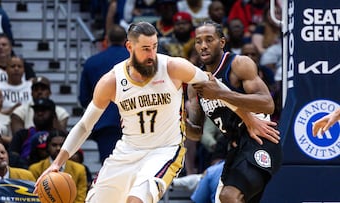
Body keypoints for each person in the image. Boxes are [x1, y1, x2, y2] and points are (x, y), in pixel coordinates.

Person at [34, 21, 279, 203]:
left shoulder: (173, 66)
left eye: (154, 47)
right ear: (129, 47)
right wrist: (57, 163)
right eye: (144, 49)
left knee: (136, 200)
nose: (151, 54)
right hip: (127, 151)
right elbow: (84, 126)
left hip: (164, 151)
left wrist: (248, 118)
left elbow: (215, 86)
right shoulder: (111, 80)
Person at [187, 20, 283, 203]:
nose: (203, 46)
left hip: (261, 139)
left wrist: (222, 94)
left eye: (209, 40)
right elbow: (196, 133)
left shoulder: (239, 64)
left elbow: (267, 104)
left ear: (221, 42)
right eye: (198, 41)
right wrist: (180, 121)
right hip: (235, 147)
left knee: (229, 196)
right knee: (224, 200)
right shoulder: (195, 84)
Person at [79, 24, 128, 164]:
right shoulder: (137, 61)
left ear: (106, 40)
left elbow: (83, 98)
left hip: (105, 122)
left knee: (110, 167)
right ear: (127, 40)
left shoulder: (92, 62)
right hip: (136, 121)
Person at [29, 130, 87, 203]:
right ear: (47, 147)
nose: (58, 148)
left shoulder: (79, 169)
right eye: (54, 145)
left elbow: (80, 199)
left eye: (62, 145)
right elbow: (34, 196)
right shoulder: (35, 169)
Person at [9, 98, 59, 163]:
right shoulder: (22, 134)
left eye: (43, 110)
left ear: (53, 114)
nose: (39, 113)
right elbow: (13, 158)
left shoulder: (59, 135)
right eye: (36, 111)